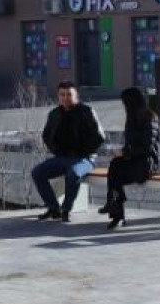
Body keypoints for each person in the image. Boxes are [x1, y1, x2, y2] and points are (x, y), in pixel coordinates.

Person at [29, 81, 105, 221]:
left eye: (69, 94)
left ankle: (66, 209)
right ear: (58, 96)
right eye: (62, 94)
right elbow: (46, 135)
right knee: (37, 172)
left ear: (76, 95)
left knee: (73, 173)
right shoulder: (54, 114)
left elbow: (99, 137)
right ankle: (54, 208)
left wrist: (83, 151)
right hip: (62, 157)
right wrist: (56, 150)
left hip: (84, 158)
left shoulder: (87, 111)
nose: (65, 98)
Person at [101, 87, 156, 230]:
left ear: (131, 102)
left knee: (116, 173)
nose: (123, 106)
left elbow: (148, 148)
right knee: (115, 166)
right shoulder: (131, 118)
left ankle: (115, 210)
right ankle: (114, 205)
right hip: (134, 160)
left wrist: (125, 153)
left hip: (146, 163)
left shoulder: (150, 118)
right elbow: (130, 144)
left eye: (124, 103)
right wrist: (121, 152)